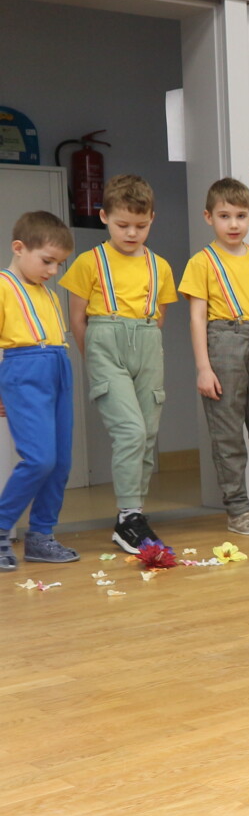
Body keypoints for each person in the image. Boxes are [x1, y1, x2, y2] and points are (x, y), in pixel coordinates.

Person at [59, 174, 178, 552]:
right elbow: (77, 319)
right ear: (104, 217)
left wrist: (142, 341)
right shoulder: (88, 262)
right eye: (122, 224)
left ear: (152, 219)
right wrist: (95, 359)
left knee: (147, 433)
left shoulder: (160, 266)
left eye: (140, 226)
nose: (131, 233)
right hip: (105, 345)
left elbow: (159, 317)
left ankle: (133, 516)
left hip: (147, 344)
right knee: (129, 430)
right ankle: (128, 516)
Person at [178, 178, 249, 536]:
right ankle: (238, 508)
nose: (233, 224)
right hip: (223, 341)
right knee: (228, 434)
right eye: (224, 216)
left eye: (241, 216)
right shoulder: (201, 262)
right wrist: (203, 367)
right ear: (208, 217)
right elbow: (197, 317)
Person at [0, 211, 78, 570]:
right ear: (19, 248)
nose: (53, 271)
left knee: (60, 462)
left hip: (58, 368)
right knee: (39, 458)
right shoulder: (3, 286)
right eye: (47, 261)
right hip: (24, 372)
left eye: (58, 264)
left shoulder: (46, 292)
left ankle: (41, 536)